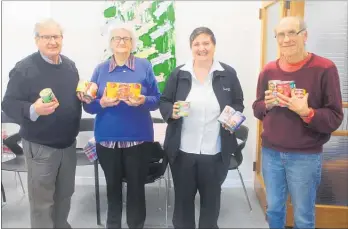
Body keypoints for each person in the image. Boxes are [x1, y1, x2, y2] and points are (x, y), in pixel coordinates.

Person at [252, 16, 344, 229]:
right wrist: (267, 105)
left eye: (292, 32)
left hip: (306, 156)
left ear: (305, 35)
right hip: (271, 154)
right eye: (281, 35)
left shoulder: (325, 69)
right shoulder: (269, 70)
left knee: (303, 215)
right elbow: (257, 107)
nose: (286, 39)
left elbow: (335, 117)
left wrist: (308, 113)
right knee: (274, 208)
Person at [159, 27, 244, 229]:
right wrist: (172, 111)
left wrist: (232, 120)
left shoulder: (227, 74)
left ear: (214, 45)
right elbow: (164, 101)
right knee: (183, 203)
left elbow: (239, 103)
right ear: (191, 47)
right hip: (182, 152)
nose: (202, 48)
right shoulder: (179, 73)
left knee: (211, 204)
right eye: (197, 44)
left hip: (215, 152)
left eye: (206, 43)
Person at [1, 19, 83, 228]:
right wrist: (33, 110)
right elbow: (8, 104)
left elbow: (73, 99)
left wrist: (84, 97)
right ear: (37, 40)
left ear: (62, 39)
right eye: (46, 37)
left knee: (65, 196)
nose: (52, 41)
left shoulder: (70, 66)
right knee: (42, 203)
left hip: (68, 145)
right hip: (41, 147)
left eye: (56, 36)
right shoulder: (24, 69)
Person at [82, 23, 160, 229]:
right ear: (110, 44)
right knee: (112, 189)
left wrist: (143, 100)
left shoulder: (145, 66)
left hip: (139, 139)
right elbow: (88, 106)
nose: (121, 42)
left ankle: (136, 225)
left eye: (126, 39)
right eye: (117, 38)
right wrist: (102, 103)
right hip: (107, 139)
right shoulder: (100, 70)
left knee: (136, 189)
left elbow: (157, 100)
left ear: (133, 44)